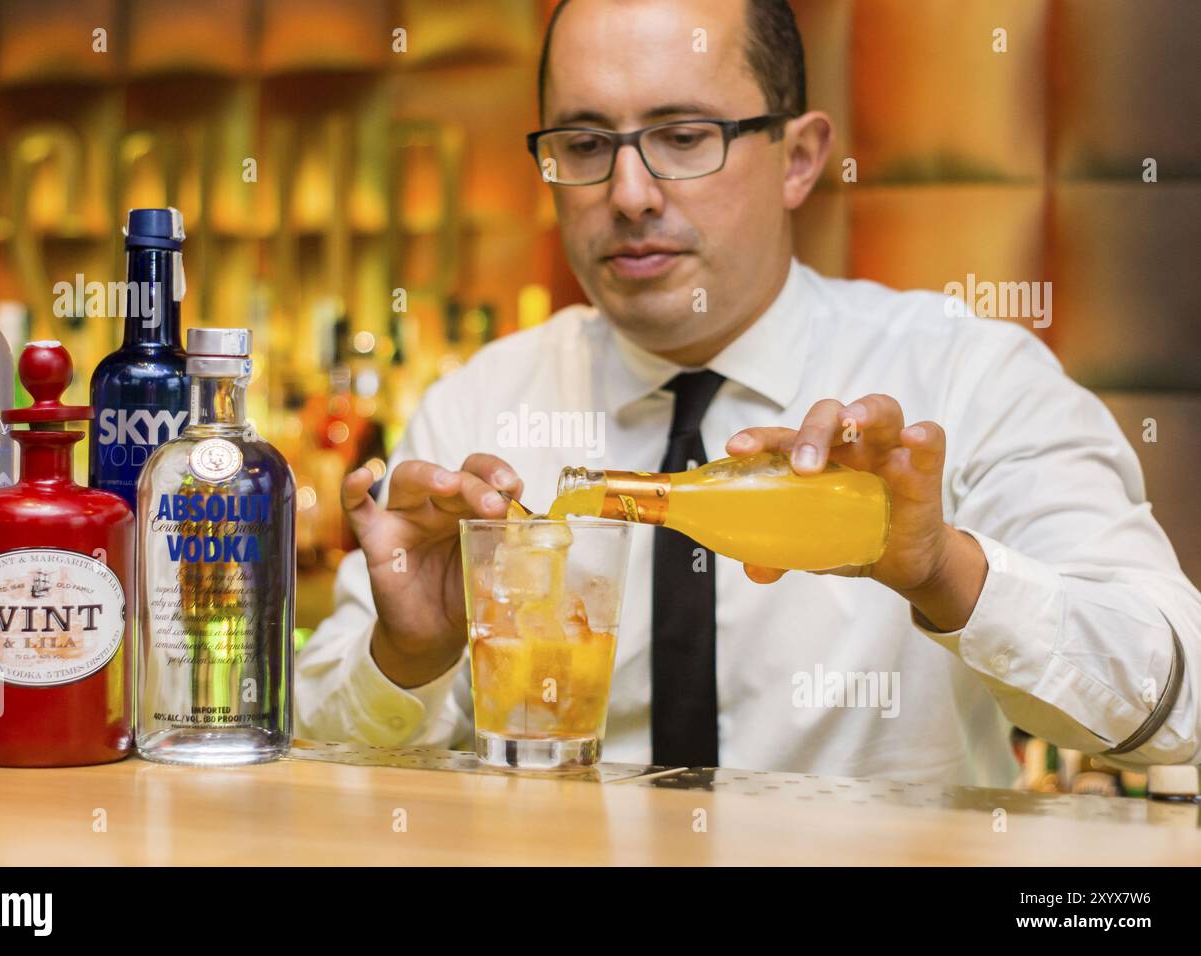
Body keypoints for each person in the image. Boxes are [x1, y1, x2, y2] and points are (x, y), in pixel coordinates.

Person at [296, 0, 1201, 786]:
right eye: (584, 144)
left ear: (800, 156)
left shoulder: (967, 376)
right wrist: (409, 656)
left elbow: (1177, 704)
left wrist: (943, 573)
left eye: (684, 137)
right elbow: (316, 755)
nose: (630, 193)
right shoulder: (480, 408)